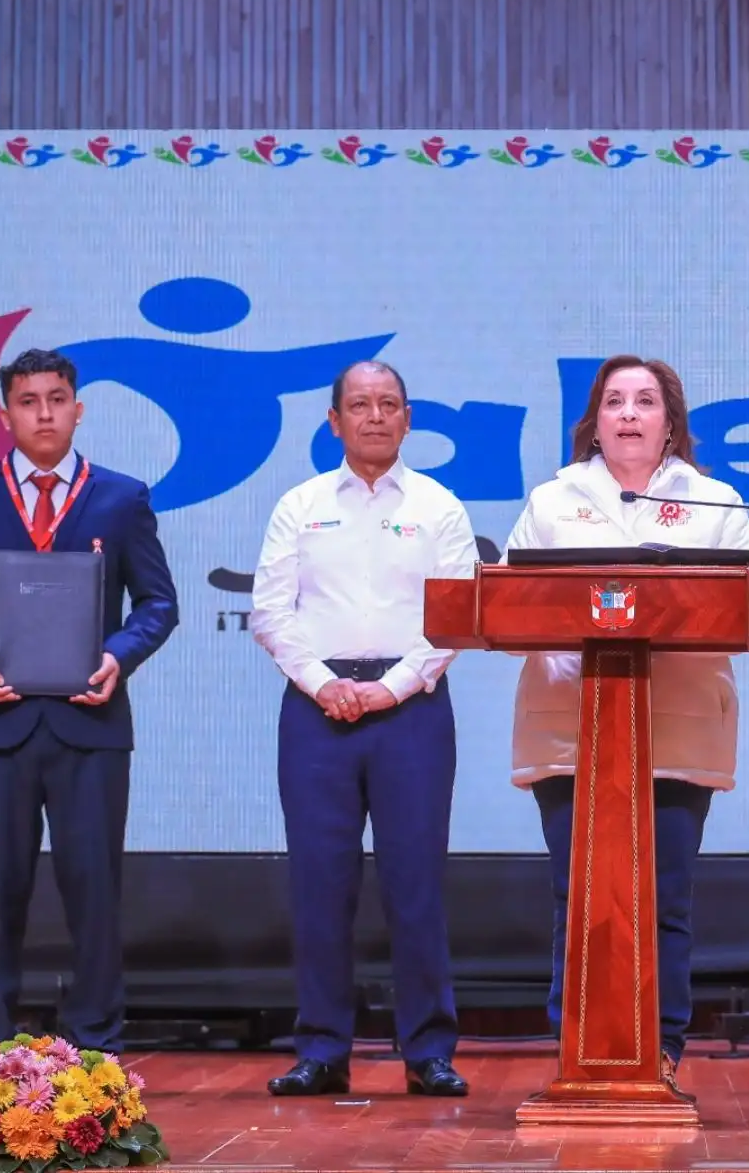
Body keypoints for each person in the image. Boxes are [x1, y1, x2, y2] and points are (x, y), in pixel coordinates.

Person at [0, 347, 179, 1053]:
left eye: (58, 398)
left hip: (91, 726)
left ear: (78, 408)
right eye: (29, 401)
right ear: (6, 414)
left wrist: (119, 654)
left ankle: (96, 1044)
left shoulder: (122, 497)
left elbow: (158, 602)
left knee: (95, 893)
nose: (45, 412)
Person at [502, 354, 749, 1098]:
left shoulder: (714, 501)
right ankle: (577, 1045)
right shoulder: (552, 501)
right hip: (569, 727)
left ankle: (664, 1046)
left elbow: (748, 605)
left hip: (676, 730)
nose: (628, 413)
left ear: (669, 421)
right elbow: (513, 602)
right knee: (576, 894)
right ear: (595, 419)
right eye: (614, 400)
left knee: (666, 897)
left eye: (644, 400)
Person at [249, 360, 478, 1098]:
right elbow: (270, 612)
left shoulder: (440, 505)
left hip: (410, 710)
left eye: (388, 404)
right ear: (334, 421)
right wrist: (325, 684)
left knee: (416, 884)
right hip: (316, 710)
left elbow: (455, 615)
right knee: (320, 884)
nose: (375, 416)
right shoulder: (300, 504)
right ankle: (321, 1047)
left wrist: (388, 689)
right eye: (359, 404)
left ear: (408, 418)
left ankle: (428, 1050)